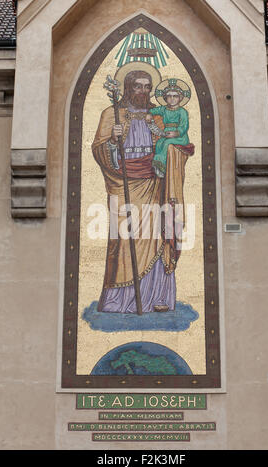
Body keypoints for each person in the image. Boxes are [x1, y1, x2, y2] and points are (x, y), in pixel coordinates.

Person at [92, 65, 190, 314]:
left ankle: (157, 296)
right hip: (123, 183)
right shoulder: (111, 114)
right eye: (138, 85)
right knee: (124, 239)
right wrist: (113, 141)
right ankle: (119, 300)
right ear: (128, 88)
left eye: (147, 87)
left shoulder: (158, 115)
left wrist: (170, 150)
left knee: (156, 235)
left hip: (155, 182)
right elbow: (99, 150)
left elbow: (175, 145)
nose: (143, 91)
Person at [145, 79, 191, 178]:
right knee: (159, 144)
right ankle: (159, 167)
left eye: (175, 96)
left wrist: (176, 133)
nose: (172, 99)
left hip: (179, 137)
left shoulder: (182, 111)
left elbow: (184, 125)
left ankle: (162, 168)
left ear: (180, 98)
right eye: (169, 96)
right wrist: (149, 114)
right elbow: (153, 110)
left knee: (166, 144)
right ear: (165, 98)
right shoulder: (164, 109)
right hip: (166, 134)